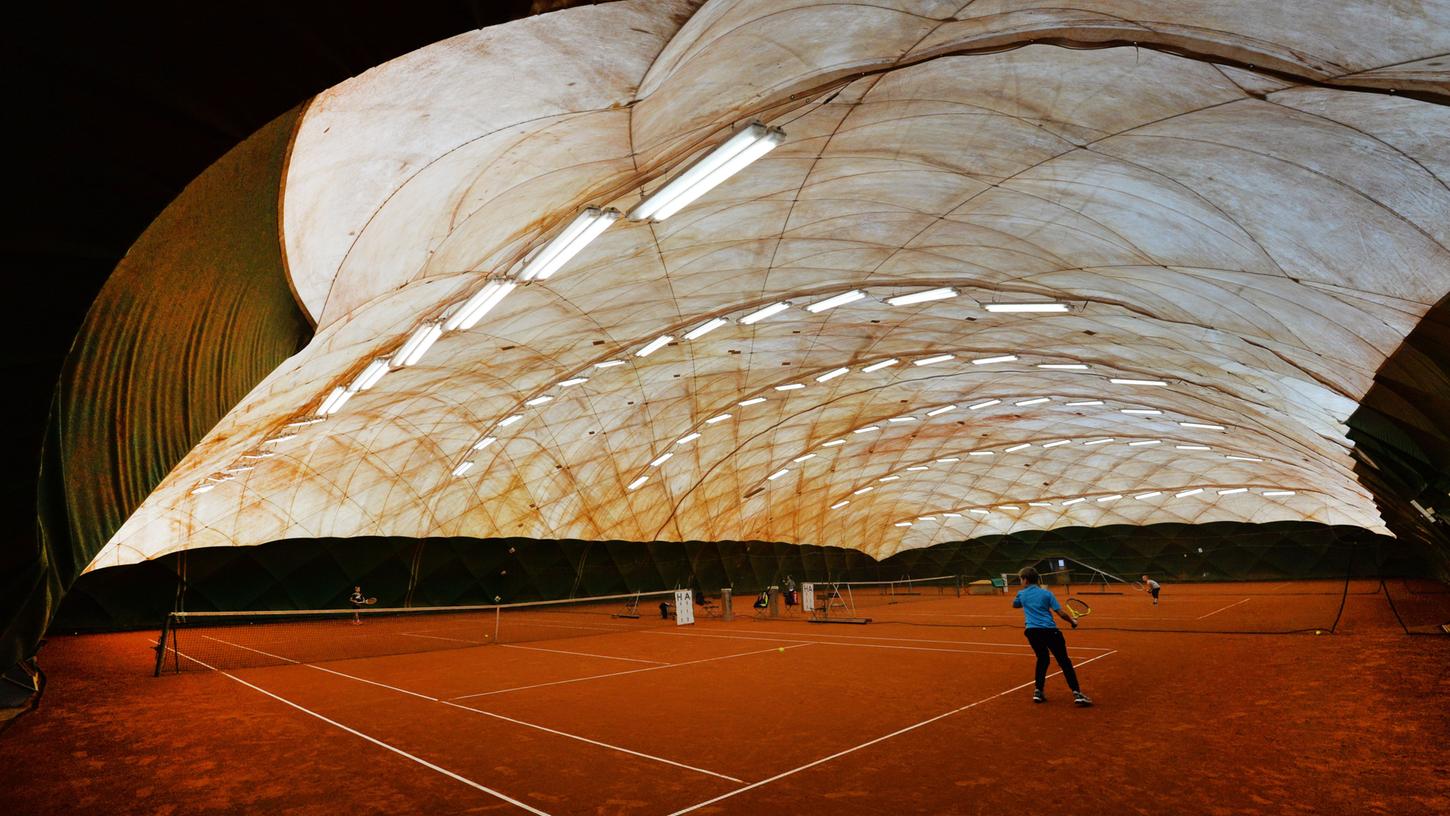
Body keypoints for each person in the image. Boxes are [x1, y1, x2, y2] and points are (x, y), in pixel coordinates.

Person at [1013, 567, 1092, 705]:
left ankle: (1038, 691)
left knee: (1042, 659)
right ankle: (1077, 693)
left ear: (1025, 579)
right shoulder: (1047, 594)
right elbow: (1060, 613)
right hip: (1050, 631)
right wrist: (1072, 622)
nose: (1020, 581)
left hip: (1032, 632)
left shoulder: (1021, 594)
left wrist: (1023, 598)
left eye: (1021, 578)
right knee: (1064, 662)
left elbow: (1015, 605)